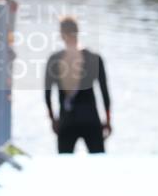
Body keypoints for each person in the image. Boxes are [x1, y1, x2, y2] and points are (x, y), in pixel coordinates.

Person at [44, 15, 112, 154]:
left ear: (62, 34)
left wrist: (53, 119)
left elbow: (47, 94)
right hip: (90, 118)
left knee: (63, 166)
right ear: (77, 32)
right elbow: (104, 93)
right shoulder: (94, 58)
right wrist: (108, 119)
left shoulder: (54, 59)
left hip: (66, 120)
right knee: (100, 165)